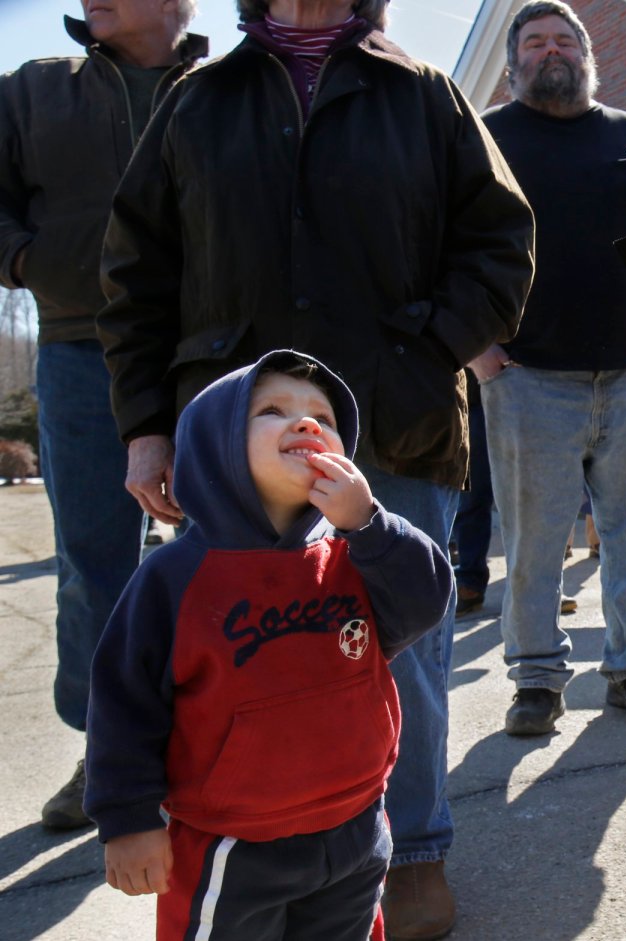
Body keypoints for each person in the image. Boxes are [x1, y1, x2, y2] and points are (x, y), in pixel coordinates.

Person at [94, 1, 535, 936]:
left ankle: (408, 853)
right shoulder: (197, 99)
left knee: (402, 650)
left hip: (398, 429)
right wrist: (146, 424)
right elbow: (136, 271)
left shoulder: (424, 95)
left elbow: (503, 247)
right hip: (233, 440)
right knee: (242, 648)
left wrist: (418, 359)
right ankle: (239, 841)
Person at [83, 350, 453, 941]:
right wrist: (127, 820)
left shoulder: (358, 552)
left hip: (357, 826)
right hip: (232, 843)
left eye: (324, 418)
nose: (306, 423)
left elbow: (426, 603)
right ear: (217, 443)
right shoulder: (174, 577)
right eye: (273, 410)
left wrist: (371, 524)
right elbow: (123, 704)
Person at [0, 0, 207, 830]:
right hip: (81, 350)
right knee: (94, 561)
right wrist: (27, 259)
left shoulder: (223, 87)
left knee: (222, 549)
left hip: (208, 352)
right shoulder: (31, 94)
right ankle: (109, 751)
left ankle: (212, 735)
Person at [478, 0, 626, 736]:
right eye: (533, 41)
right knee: (536, 540)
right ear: (512, 65)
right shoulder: (486, 139)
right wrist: (478, 350)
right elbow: (441, 242)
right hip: (528, 375)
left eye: (565, 39)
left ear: (587, 57)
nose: (551, 49)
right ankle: (536, 676)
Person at [452, 371, 492, 619]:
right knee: (472, 496)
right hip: (474, 395)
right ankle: (469, 579)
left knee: (532, 502)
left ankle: (547, 587)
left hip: (524, 380)